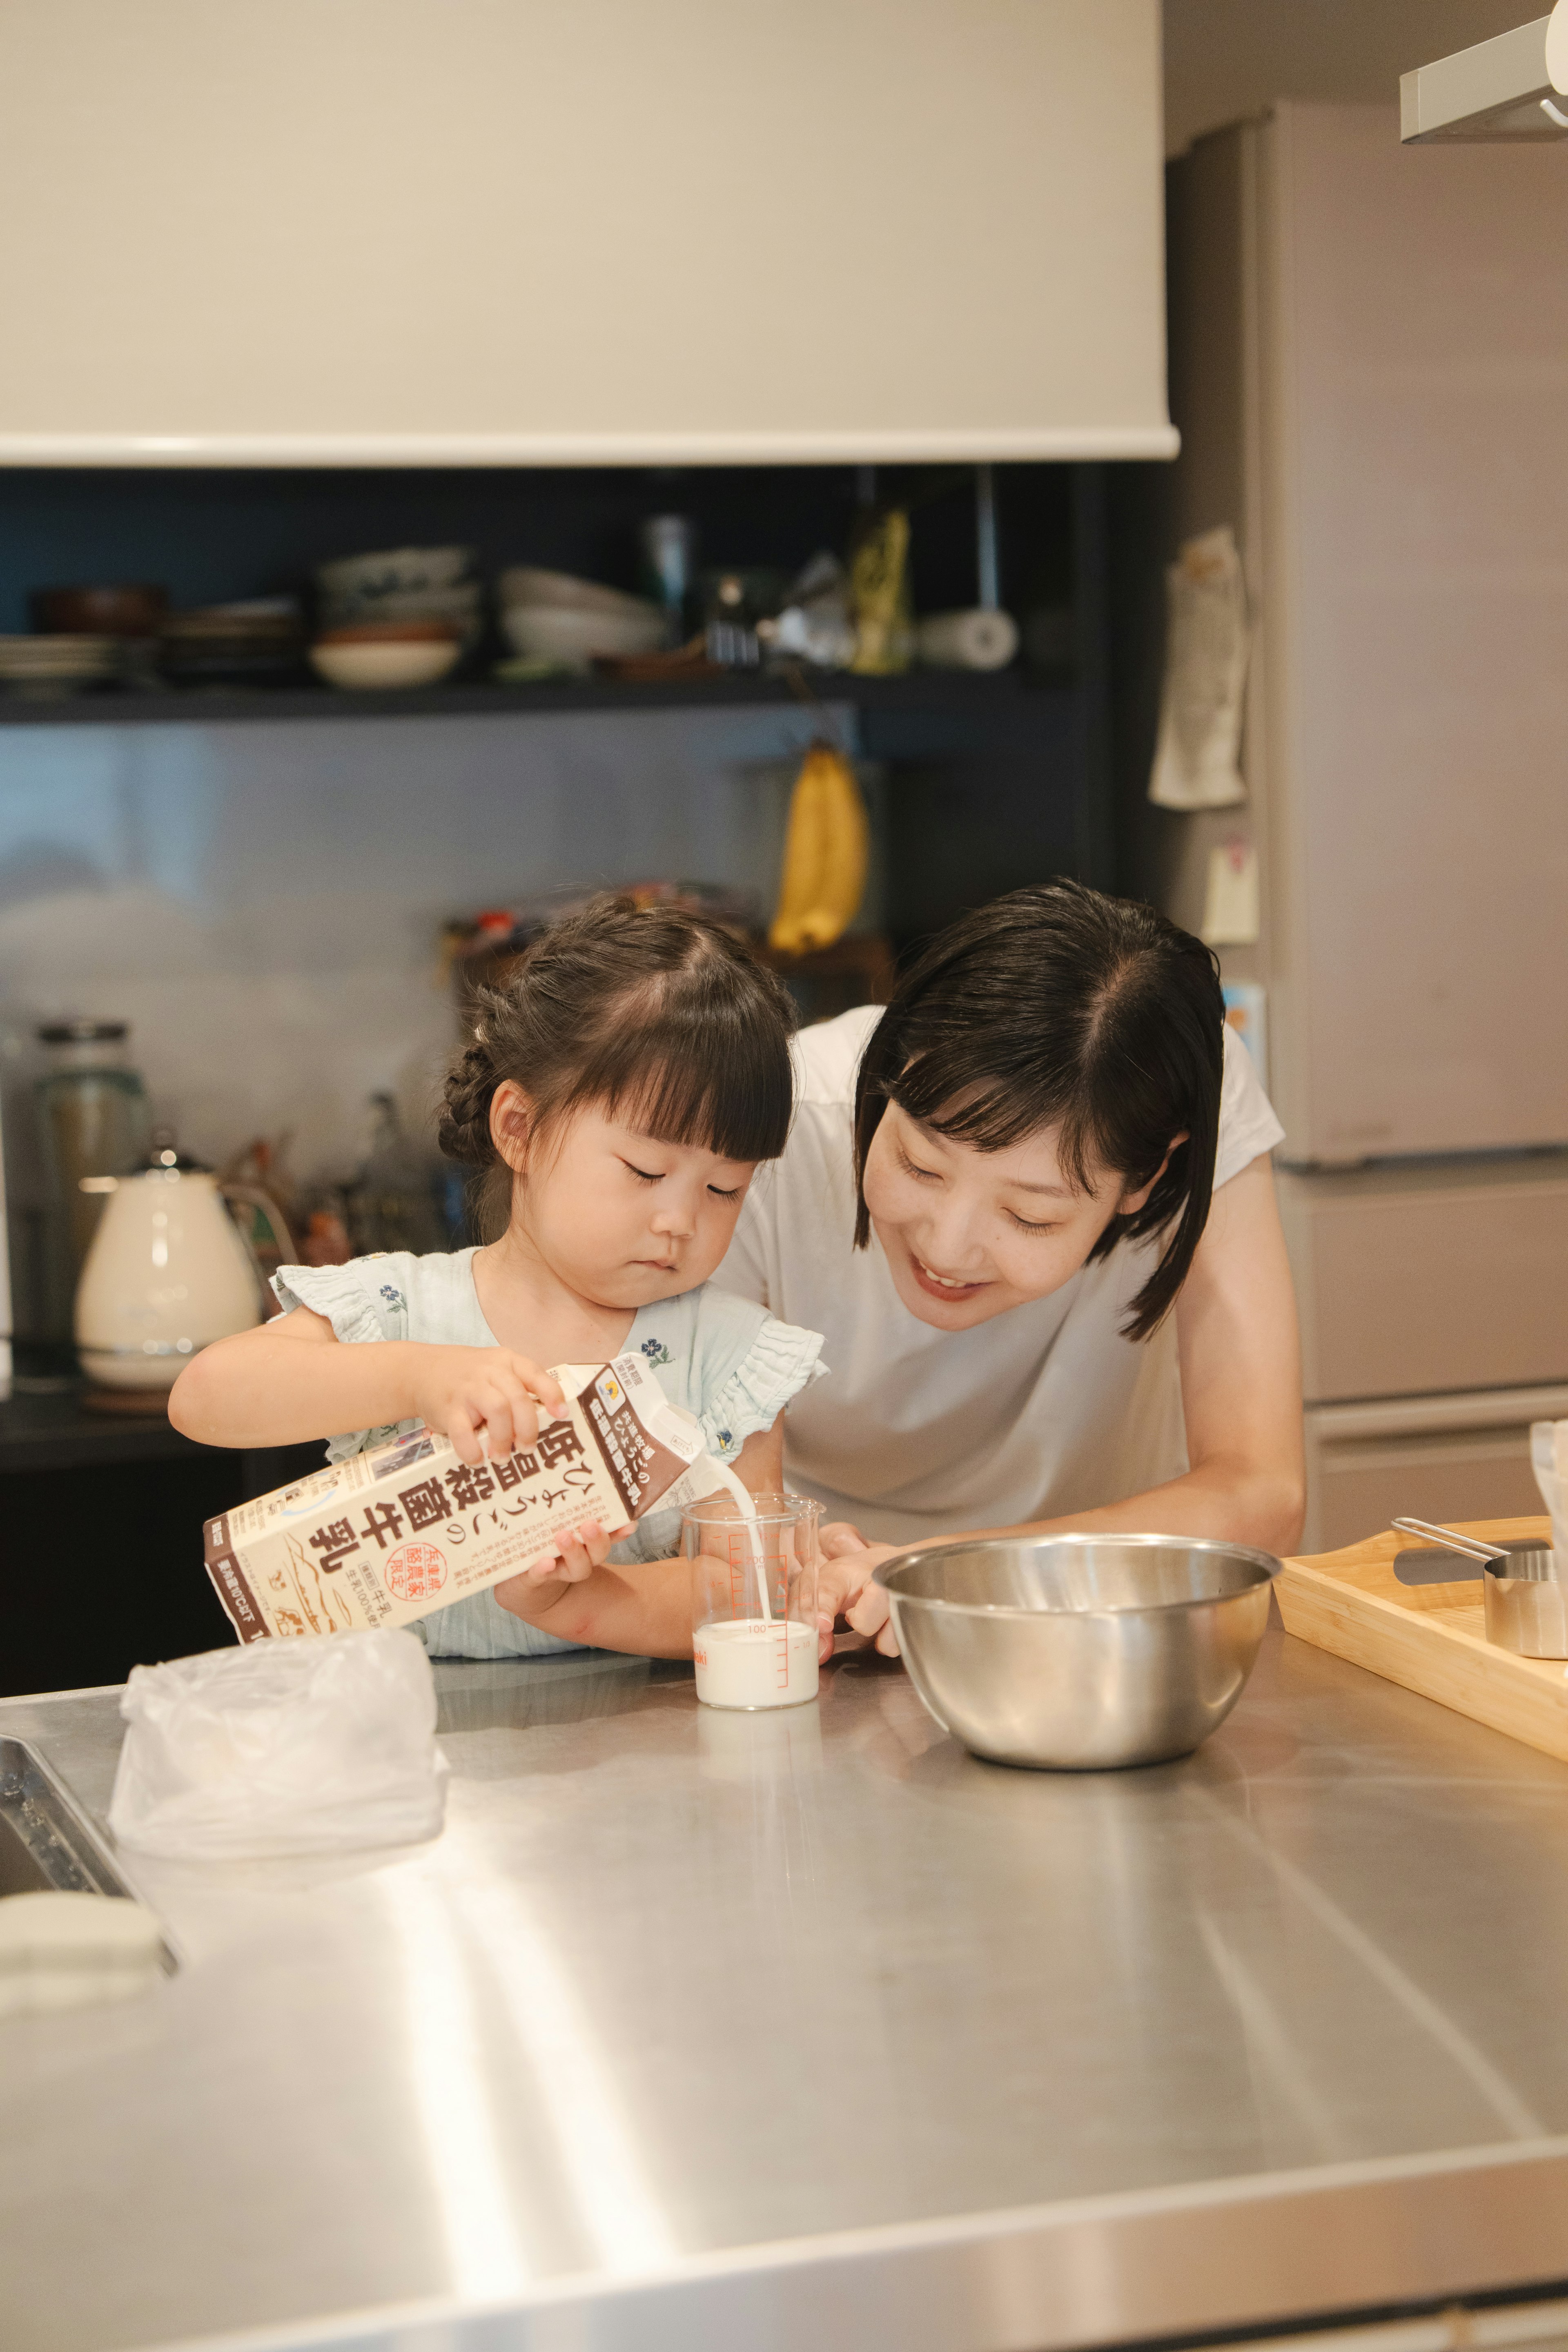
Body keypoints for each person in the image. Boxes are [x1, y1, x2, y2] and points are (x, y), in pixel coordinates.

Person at [168, 900, 827, 1659]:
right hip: (395, 1734)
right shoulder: (401, 1307)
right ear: (518, 1128)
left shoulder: (731, 1358)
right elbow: (205, 1398)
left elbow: (745, 1591)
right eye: (645, 1171)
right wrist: (421, 1378)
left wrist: (583, 1602)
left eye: (725, 1190)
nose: (681, 1220)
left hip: (630, 1748)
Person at [709, 880, 1305, 1653]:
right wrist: (799, 1578)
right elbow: (700, 1489)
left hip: (1094, 1624)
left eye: (1030, 1215)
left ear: (1150, 1177)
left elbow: (1261, 1492)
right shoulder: (768, 1124)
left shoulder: (1186, 1095)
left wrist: (951, 1574)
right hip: (807, 1617)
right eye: (920, 1166)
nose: (948, 1248)